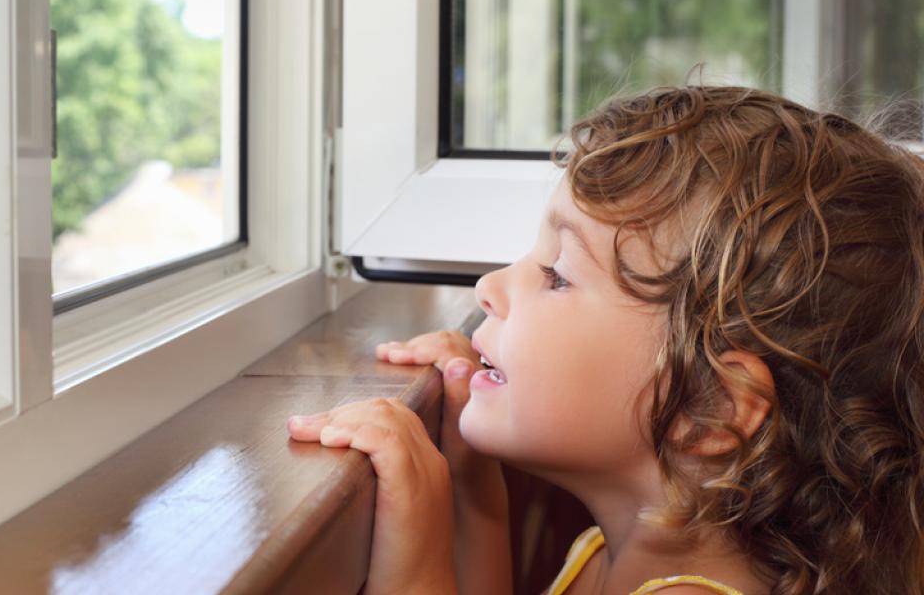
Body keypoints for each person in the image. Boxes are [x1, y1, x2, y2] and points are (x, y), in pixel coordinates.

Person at [286, 85, 924, 595]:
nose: (489, 286)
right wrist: (470, 486)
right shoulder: (612, 554)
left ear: (710, 410)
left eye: (557, 275)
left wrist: (418, 574)